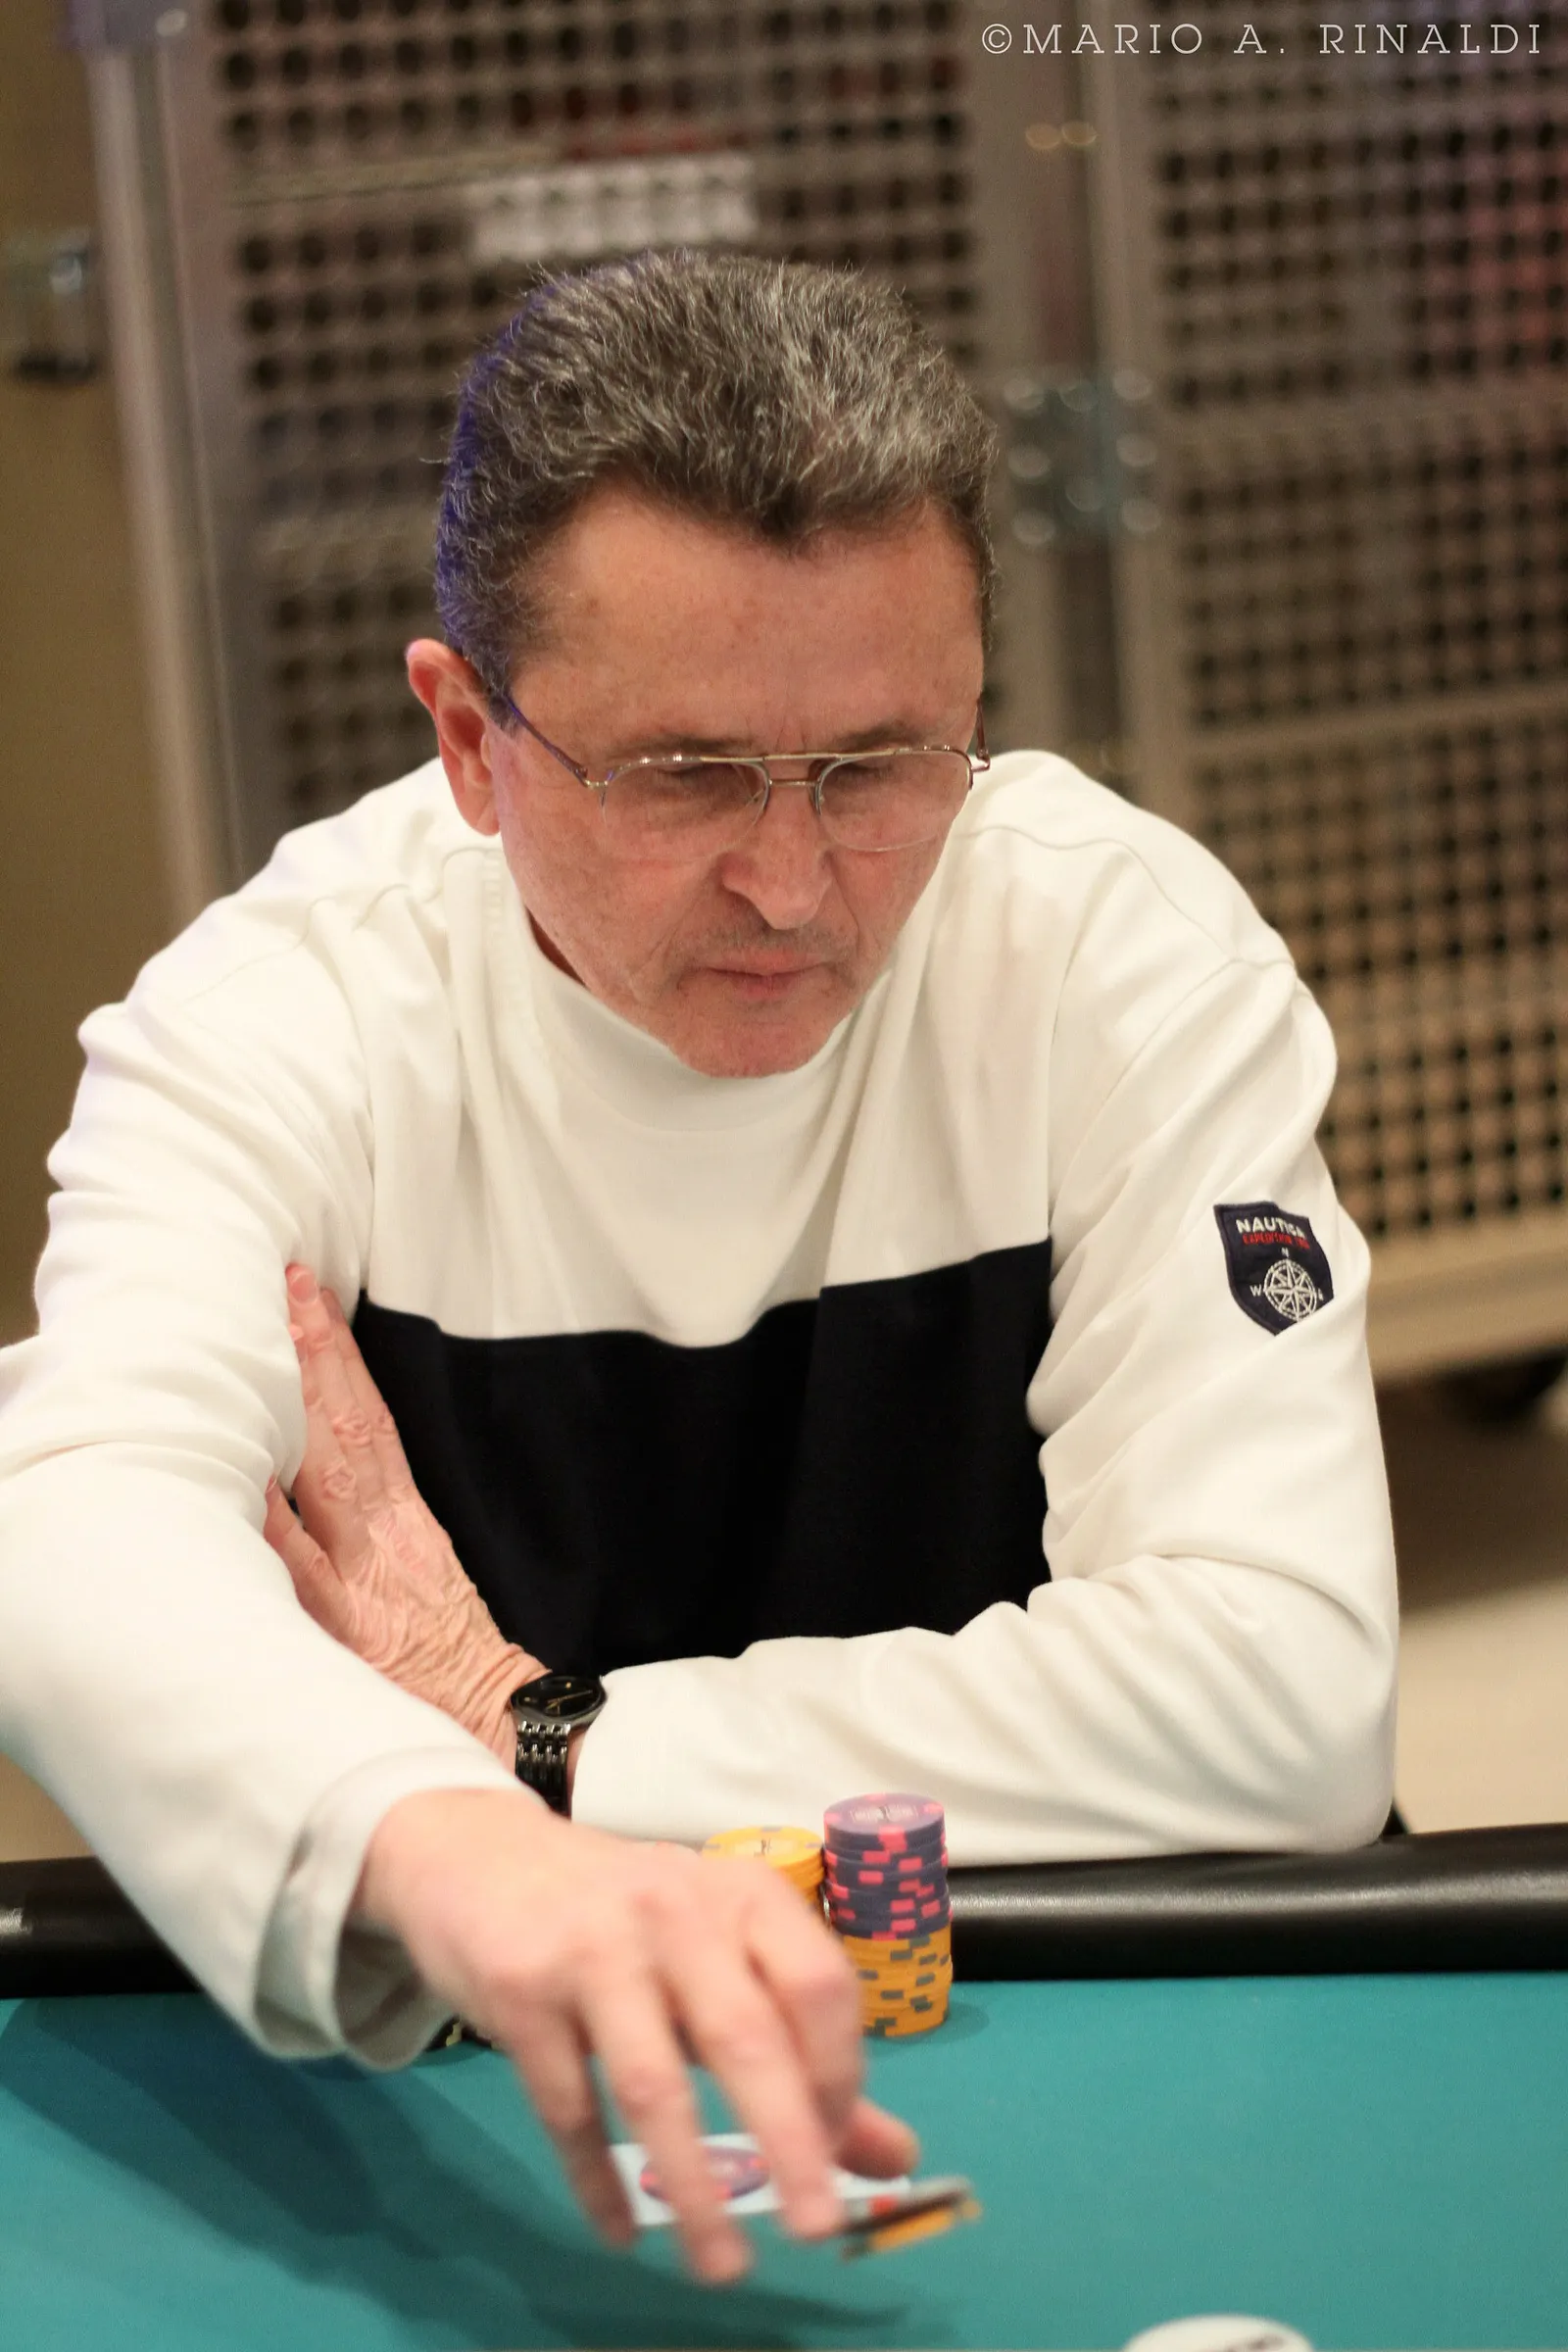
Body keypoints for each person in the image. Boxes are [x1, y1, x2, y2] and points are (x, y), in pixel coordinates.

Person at [0, 252, 1396, 2276]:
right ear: (466, 736)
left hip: (1111, 2052)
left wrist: (544, 1744)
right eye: (682, 776)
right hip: (483, 2104)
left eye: (881, 761)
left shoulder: (1114, 955)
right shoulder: (278, 1019)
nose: (792, 880)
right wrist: (451, 1850)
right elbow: (71, 1529)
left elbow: (1285, 1696)